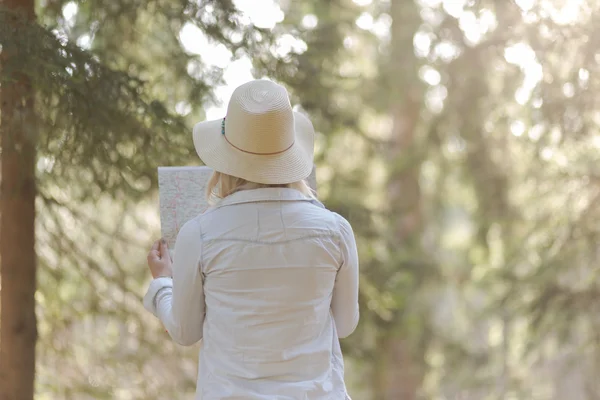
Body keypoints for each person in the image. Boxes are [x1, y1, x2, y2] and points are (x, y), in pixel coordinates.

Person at [143, 79, 359, 399]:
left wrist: (163, 282)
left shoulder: (199, 234)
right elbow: (344, 325)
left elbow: (185, 332)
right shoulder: (336, 231)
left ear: (225, 161)